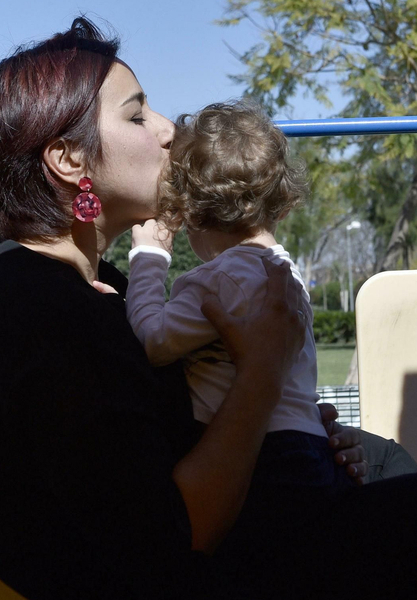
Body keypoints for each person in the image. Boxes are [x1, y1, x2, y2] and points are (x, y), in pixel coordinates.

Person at [0, 17, 417, 600]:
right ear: (70, 162)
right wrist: (262, 372)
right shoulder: (30, 315)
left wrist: (279, 423)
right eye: (137, 116)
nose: (169, 130)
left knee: (385, 465)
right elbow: (175, 538)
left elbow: (154, 441)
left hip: (188, 589)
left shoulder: (88, 289)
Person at [125, 101, 347, 495]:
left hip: (261, 454)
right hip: (308, 446)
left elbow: (153, 341)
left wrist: (149, 258)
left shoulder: (222, 278)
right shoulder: (285, 273)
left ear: (192, 213)